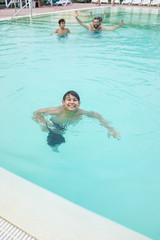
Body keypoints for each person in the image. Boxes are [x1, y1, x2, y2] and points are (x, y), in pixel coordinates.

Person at [32, 91, 121, 149]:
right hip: (54, 125)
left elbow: (98, 116)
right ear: (63, 102)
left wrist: (111, 129)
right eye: (68, 100)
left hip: (65, 127)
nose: (71, 102)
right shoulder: (57, 111)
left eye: (75, 100)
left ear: (79, 103)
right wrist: (43, 123)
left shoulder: (81, 113)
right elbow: (37, 112)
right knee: (53, 143)